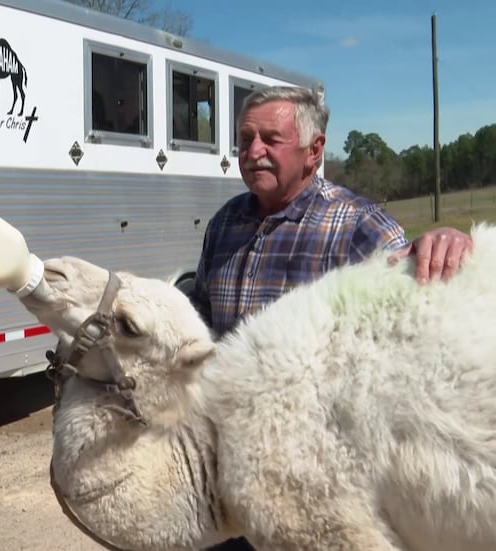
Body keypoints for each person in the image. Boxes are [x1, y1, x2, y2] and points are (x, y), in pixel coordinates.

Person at [189, 85, 471, 550]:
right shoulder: (224, 225)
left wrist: (446, 240)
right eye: (245, 139)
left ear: (313, 150)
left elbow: (421, 315)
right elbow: (202, 322)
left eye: (270, 139)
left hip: (314, 484)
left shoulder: (358, 226)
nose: (253, 151)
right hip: (226, 470)